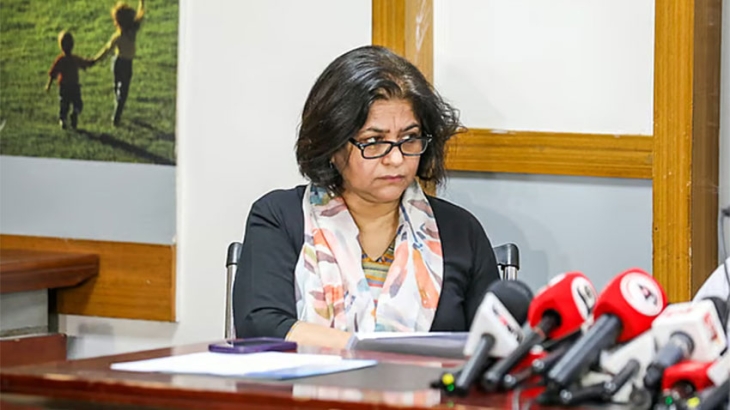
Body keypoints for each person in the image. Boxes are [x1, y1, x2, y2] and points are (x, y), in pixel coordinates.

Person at [233, 45, 501, 350]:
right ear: (331, 145)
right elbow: (260, 327)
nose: (396, 159)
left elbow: (493, 344)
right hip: (304, 383)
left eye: (409, 139)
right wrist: (369, 351)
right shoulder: (280, 217)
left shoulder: (459, 231)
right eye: (373, 141)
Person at [94, 0, 145, 126]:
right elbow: (141, 14)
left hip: (117, 63)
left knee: (117, 85)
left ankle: (117, 103)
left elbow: (107, 50)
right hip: (127, 64)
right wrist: (142, 2)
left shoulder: (118, 36)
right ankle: (118, 112)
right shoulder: (132, 32)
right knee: (124, 89)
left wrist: (96, 59)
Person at [45, 31, 95, 130]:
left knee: (64, 104)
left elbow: (53, 73)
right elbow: (84, 63)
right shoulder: (74, 59)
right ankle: (75, 113)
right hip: (74, 86)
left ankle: (63, 120)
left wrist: (48, 85)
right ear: (73, 45)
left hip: (64, 86)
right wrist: (91, 62)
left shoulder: (60, 60)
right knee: (78, 103)